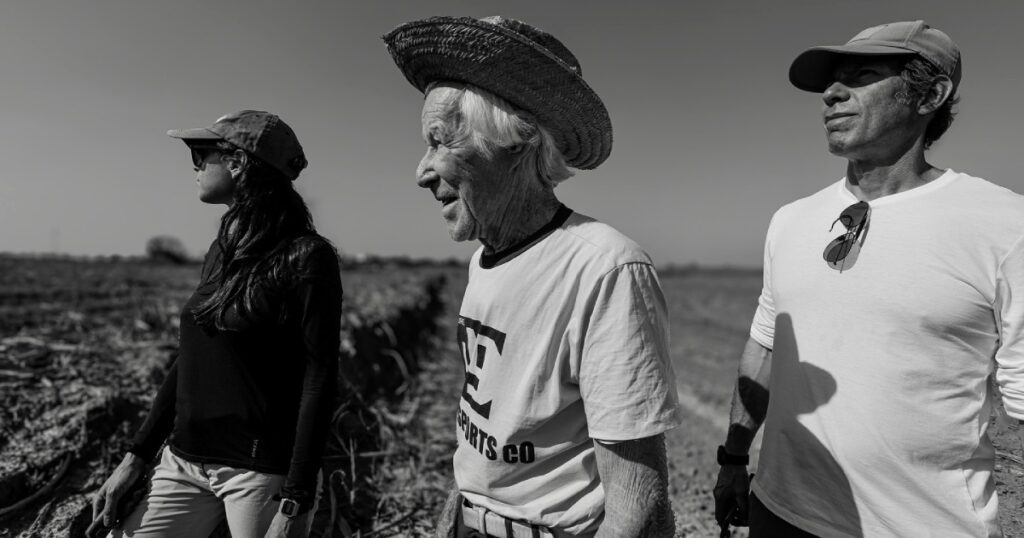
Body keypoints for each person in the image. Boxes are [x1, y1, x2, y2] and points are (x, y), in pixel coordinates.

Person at [712, 21, 1024, 537]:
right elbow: (767, 347)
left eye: (862, 75)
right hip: (779, 513)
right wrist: (732, 459)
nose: (832, 94)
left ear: (932, 94)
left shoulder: (1004, 225)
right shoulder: (790, 220)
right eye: (833, 82)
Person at [384, 15, 682, 538]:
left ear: (514, 143)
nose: (422, 171)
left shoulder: (604, 269)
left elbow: (636, 507)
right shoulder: (485, 259)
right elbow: (485, 418)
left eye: (441, 142)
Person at [87, 110, 342, 538]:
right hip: (183, 462)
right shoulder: (224, 248)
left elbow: (320, 378)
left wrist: (297, 494)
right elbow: (192, 358)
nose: (195, 167)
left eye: (200, 155)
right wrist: (136, 456)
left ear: (238, 163)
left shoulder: (306, 258)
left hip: (258, 475)